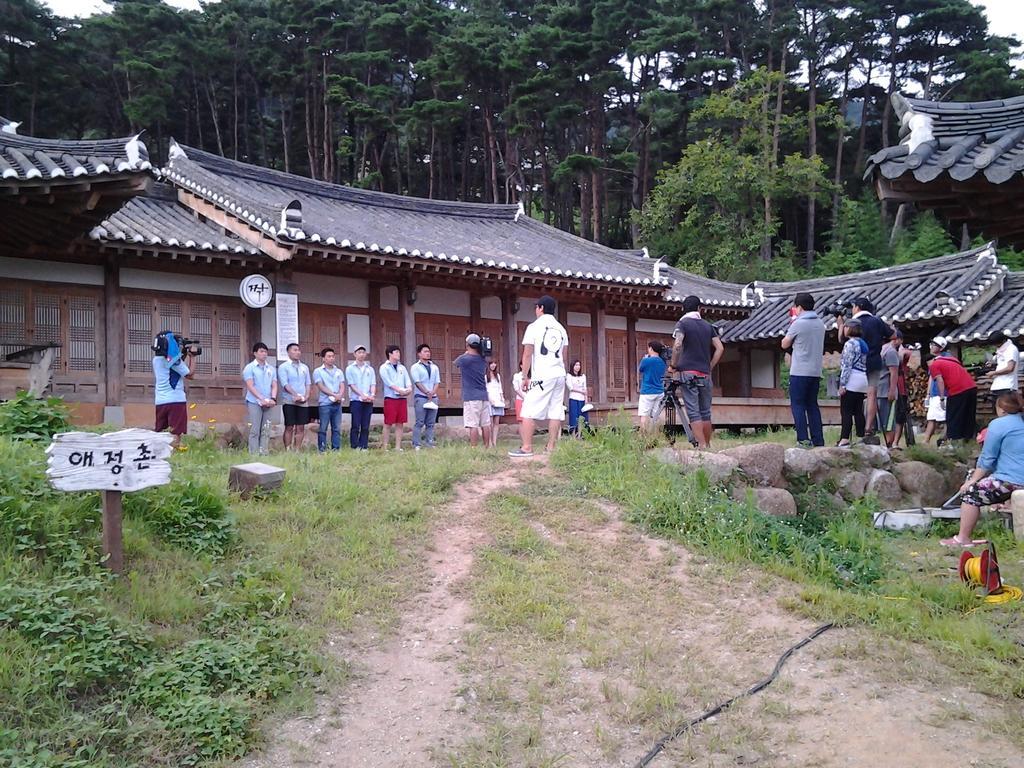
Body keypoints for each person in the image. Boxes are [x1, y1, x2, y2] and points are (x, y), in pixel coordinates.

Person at [940, 392, 1024, 547]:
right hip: (1018, 479)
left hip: (1011, 480)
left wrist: (971, 481)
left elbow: (987, 458)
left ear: (1002, 409)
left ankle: (962, 538)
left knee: (971, 494)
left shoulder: (999, 424)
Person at [509, 295, 569, 458]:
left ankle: (527, 447)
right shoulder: (561, 329)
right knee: (556, 410)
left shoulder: (534, 327)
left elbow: (527, 354)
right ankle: (551, 447)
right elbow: (564, 355)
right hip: (559, 374)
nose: (535, 310)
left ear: (541, 308)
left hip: (543, 374)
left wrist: (524, 376)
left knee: (528, 409)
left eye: (536, 307)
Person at [670, 295, 724, 449]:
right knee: (705, 411)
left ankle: (701, 446)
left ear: (683, 309)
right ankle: (707, 444)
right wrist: (710, 365)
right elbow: (720, 348)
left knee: (693, 412)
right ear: (699, 308)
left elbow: (678, 344)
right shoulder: (708, 326)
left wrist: (673, 365)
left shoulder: (683, 323)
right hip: (705, 374)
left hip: (688, 373)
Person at [837, 298, 893, 445]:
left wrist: (842, 384)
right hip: (873, 363)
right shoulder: (877, 321)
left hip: (854, 373)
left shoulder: (852, 333)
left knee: (848, 408)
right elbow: (892, 335)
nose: (852, 309)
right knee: (871, 395)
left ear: (858, 307)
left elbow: (842, 343)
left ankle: (844, 438)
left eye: (854, 306)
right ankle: (868, 428)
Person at [781, 292, 826, 448]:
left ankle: (803, 439)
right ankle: (818, 439)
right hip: (815, 371)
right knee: (812, 405)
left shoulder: (798, 324)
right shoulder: (821, 324)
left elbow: (784, 344)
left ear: (799, 307)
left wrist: (793, 322)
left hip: (800, 371)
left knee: (798, 405)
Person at [928, 336, 977, 442]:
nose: (931, 347)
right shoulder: (952, 359)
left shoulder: (934, 364)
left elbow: (940, 381)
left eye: (934, 345)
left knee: (953, 417)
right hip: (971, 387)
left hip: (957, 390)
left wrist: (942, 398)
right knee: (968, 416)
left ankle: (953, 441)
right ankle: (968, 440)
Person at [152, 331, 195, 448]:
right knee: (175, 433)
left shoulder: (156, 360)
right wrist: (192, 357)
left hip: (160, 401)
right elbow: (190, 375)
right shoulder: (175, 362)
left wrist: (182, 355)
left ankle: (160, 454)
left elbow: (175, 365)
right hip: (176, 401)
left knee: (161, 432)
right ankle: (174, 454)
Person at [455, 334, 491, 448]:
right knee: (486, 423)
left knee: (473, 424)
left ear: (467, 344)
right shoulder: (483, 359)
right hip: (483, 395)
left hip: (471, 396)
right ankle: (486, 446)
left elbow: (456, 362)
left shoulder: (465, 359)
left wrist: (466, 352)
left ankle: (473, 448)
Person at [242, 342, 278, 455]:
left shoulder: (271, 369)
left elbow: (274, 385)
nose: (264, 354)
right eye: (261, 351)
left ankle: (264, 452)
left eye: (265, 351)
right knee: (255, 429)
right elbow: (250, 385)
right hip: (254, 402)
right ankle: (254, 453)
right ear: (255, 353)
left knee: (266, 429)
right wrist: (261, 398)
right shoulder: (249, 368)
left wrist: (273, 398)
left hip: (268, 402)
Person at [837, 320, 868, 447]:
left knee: (846, 410)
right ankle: (861, 436)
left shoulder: (850, 344)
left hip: (852, 379)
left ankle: (844, 437)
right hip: (863, 378)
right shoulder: (864, 343)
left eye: (845, 327)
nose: (844, 329)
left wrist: (842, 384)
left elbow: (847, 365)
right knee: (858, 410)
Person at [278, 342, 313, 451]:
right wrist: (295, 395)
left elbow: (308, 383)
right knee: (289, 426)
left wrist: (306, 396)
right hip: (289, 401)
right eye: (294, 350)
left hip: (303, 401)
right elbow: (285, 384)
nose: (297, 352)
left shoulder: (304, 367)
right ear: (288, 352)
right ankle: (288, 449)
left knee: (301, 426)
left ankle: (297, 449)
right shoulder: (283, 367)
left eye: (298, 350)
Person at [881, 330, 912, 448]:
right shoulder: (888, 350)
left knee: (899, 416)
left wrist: (898, 351)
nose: (894, 341)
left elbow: (906, 354)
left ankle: (895, 442)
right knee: (889, 416)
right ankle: (890, 441)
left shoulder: (899, 352)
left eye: (896, 339)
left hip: (900, 388)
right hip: (891, 386)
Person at [379, 345, 412, 450]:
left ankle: (398, 447)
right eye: (396, 352)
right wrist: (399, 390)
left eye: (399, 352)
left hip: (402, 399)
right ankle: (385, 446)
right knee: (388, 422)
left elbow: (408, 381)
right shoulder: (384, 367)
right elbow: (388, 382)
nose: (398, 354)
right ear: (390, 354)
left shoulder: (402, 367)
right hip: (391, 398)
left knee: (400, 423)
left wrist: (409, 389)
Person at [313, 347, 345, 452]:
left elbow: (342, 385)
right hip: (325, 404)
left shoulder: (339, 371)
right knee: (323, 428)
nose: (331, 358)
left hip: (337, 403)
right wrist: (333, 394)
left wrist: (339, 395)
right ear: (323, 358)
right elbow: (321, 386)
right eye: (329, 356)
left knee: (336, 428)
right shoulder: (318, 371)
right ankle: (322, 449)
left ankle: (336, 449)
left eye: (333, 356)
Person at [411, 343, 441, 450]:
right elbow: (417, 382)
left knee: (431, 422)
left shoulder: (434, 367)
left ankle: (430, 442)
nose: (427, 353)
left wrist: (432, 392)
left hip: (433, 397)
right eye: (425, 351)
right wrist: (427, 392)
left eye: (428, 351)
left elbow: (437, 382)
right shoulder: (415, 367)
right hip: (421, 396)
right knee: (419, 421)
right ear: (419, 354)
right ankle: (416, 443)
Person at [345, 344, 375, 450]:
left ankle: (364, 445)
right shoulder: (350, 369)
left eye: (363, 352)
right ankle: (354, 446)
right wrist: (361, 395)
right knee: (356, 424)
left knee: (366, 425)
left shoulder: (370, 369)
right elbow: (352, 385)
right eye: (359, 352)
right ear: (354, 354)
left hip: (368, 400)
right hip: (356, 400)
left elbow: (373, 384)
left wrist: (372, 395)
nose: (361, 354)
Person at [637, 342, 667, 433]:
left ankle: (644, 436)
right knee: (656, 415)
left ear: (651, 349)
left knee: (644, 415)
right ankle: (656, 434)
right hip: (659, 391)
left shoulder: (646, 360)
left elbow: (640, 369)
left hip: (647, 391)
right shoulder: (662, 361)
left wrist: (644, 359)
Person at [923, 358, 947, 444]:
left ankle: (944, 439)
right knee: (931, 418)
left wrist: (942, 397)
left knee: (945, 418)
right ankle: (926, 440)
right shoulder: (932, 366)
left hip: (942, 394)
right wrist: (928, 394)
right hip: (933, 395)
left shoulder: (944, 359)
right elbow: (931, 378)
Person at [989, 332, 1019, 396]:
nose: (995, 346)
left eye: (996, 344)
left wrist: (994, 373)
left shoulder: (1011, 349)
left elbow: (1010, 368)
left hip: (1008, 386)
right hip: (998, 385)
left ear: (1002, 341)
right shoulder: (1001, 350)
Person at [566, 360, 590, 436]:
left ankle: (579, 434)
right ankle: (573, 435)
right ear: (572, 366)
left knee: (581, 418)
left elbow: (585, 389)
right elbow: (571, 388)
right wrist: (581, 392)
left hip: (582, 399)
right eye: (576, 365)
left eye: (579, 365)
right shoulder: (569, 376)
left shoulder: (583, 376)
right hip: (573, 398)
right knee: (574, 417)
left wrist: (586, 400)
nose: (578, 367)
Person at [486, 359, 506, 447]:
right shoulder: (485, 376)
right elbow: (485, 389)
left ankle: (494, 442)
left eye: (495, 363)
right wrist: (490, 400)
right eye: (491, 363)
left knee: (496, 422)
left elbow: (500, 387)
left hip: (498, 400)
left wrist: (502, 397)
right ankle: (489, 441)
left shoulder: (497, 375)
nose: (493, 365)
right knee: (489, 422)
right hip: (489, 400)